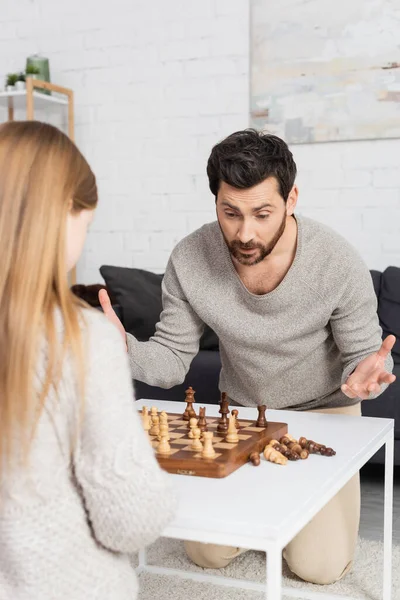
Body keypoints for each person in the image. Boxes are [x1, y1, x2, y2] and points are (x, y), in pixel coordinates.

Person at [99, 129, 396, 585]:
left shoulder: (337, 261)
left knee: (319, 569)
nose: (245, 232)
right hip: (241, 415)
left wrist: (366, 375)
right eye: (230, 212)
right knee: (207, 554)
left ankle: (296, 512)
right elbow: (171, 359)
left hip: (327, 412)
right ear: (215, 200)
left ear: (291, 198)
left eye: (262, 213)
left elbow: (364, 355)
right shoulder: (191, 258)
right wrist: (122, 350)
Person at [0, 121, 177, 600]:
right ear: (62, 211)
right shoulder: (79, 339)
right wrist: (162, 491)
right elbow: (130, 520)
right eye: (87, 223)